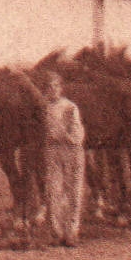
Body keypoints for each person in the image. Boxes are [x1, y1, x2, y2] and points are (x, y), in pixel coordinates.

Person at [38, 69, 87, 247]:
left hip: (72, 150)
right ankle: (56, 232)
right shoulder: (43, 108)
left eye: (56, 86)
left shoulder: (70, 107)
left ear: (61, 88)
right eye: (49, 87)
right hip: (52, 151)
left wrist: (66, 136)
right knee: (53, 191)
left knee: (73, 190)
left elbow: (76, 133)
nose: (53, 90)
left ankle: (72, 231)